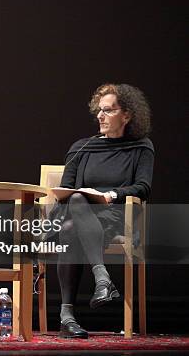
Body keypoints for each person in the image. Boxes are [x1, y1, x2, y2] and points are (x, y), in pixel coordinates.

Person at [53, 83, 154, 338]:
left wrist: (110, 195)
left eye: (108, 110)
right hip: (79, 215)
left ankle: (67, 316)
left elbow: (142, 187)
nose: (100, 116)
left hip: (117, 218)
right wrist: (75, 196)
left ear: (127, 115)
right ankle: (102, 279)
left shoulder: (141, 147)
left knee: (69, 228)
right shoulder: (82, 147)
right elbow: (66, 189)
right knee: (73, 208)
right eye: (99, 110)